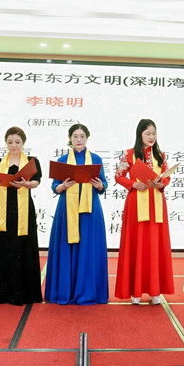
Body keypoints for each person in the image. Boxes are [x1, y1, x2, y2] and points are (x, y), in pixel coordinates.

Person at [45, 124, 109, 305]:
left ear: (87, 138)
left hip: (90, 211)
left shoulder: (95, 159)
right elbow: (55, 187)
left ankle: (88, 292)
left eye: (82, 136)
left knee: (88, 248)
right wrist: (63, 186)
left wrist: (99, 185)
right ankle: (65, 291)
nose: (78, 140)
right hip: (67, 209)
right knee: (67, 246)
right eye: (75, 136)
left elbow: (104, 184)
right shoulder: (63, 160)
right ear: (70, 138)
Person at [115, 118, 174, 305]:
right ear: (139, 134)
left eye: (154, 133)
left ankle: (155, 291)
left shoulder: (160, 155)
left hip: (156, 203)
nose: (151, 137)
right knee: (137, 243)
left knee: (155, 245)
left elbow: (166, 177)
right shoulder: (129, 154)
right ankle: (136, 291)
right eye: (147, 133)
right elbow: (118, 176)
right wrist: (133, 184)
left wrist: (161, 183)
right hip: (136, 202)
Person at [0, 126, 43, 305]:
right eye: (10, 142)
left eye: (17, 142)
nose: (14, 145)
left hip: (24, 210)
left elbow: (36, 182)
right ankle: (0, 294)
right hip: (4, 210)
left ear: (23, 142)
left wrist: (26, 184)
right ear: (6, 143)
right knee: (3, 246)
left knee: (23, 246)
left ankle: (23, 293)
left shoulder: (31, 162)